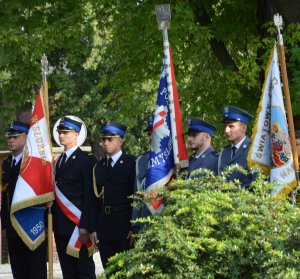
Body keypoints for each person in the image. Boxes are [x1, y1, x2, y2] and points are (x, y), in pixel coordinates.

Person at [1, 121, 47, 279]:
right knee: (19, 271)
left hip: (31, 223)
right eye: (9, 137)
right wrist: (4, 222)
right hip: (12, 224)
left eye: (15, 137)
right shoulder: (6, 163)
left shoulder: (32, 163)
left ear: (26, 137)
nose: (11, 140)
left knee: (35, 270)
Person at [52, 116, 96, 279]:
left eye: (65, 132)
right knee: (68, 272)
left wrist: (85, 225)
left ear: (76, 134)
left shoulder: (86, 160)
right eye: (59, 132)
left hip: (78, 227)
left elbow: (89, 196)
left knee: (84, 271)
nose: (61, 136)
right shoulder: (57, 162)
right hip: (60, 225)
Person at [91, 121, 136, 269]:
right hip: (104, 226)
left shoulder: (131, 164)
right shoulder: (99, 166)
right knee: (109, 270)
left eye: (110, 139)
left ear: (121, 141)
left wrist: (134, 226)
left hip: (124, 226)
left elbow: (136, 197)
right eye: (103, 139)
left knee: (125, 272)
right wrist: (94, 228)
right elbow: (95, 200)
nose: (105, 143)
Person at [218, 106, 254, 188]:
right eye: (225, 127)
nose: (226, 131)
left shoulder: (253, 151)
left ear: (244, 128)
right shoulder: (224, 152)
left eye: (231, 126)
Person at [131, 115, 153, 235]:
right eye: (149, 134)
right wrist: (135, 225)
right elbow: (137, 195)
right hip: (144, 224)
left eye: (154, 133)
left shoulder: (172, 160)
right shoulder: (141, 160)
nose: (151, 137)